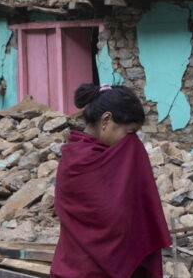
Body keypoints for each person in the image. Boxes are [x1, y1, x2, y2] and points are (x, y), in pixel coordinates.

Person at [51, 84, 171, 278]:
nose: (133, 141)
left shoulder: (119, 156)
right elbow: (109, 218)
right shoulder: (77, 160)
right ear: (106, 120)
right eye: (130, 132)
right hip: (81, 270)